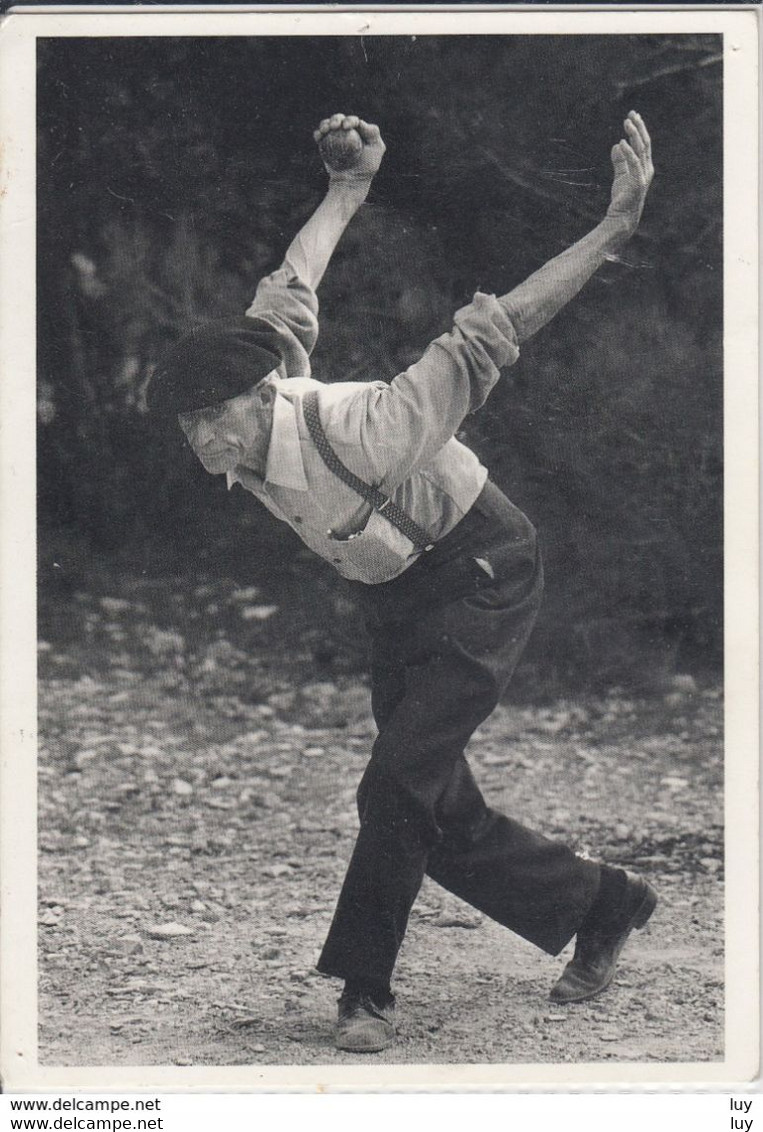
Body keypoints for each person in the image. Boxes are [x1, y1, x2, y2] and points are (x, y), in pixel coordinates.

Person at [147, 111, 657, 1054]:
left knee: (393, 791)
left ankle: (363, 993)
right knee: (431, 803)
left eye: (214, 420)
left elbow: (500, 325)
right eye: (189, 430)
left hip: (482, 570)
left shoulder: (370, 426)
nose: (204, 443)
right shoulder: (251, 383)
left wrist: (613, 226)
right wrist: (346, 189)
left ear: (260, 399)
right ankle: (605, 901)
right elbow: (292, 286)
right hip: (397, 594)